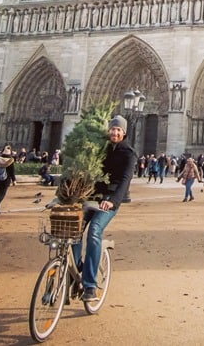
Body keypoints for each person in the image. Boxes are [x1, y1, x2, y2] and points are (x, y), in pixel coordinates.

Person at [71, 115, 137, 302]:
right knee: (72, 230)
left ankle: (90, 285)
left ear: (124, 133)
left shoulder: (129, 154)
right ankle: (75, 271)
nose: (115, 132)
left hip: (109, 200)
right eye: (112, 129)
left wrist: (114, 201)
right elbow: (86, 169)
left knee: (93, 231)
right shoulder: (100, 149)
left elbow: (125, 180)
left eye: (118, 130)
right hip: (91, 197)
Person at [0, 145, 17, 216]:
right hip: (6, 179)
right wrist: (14, 180)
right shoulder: (10, 160)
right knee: (2, 194)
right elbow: (12, 172)